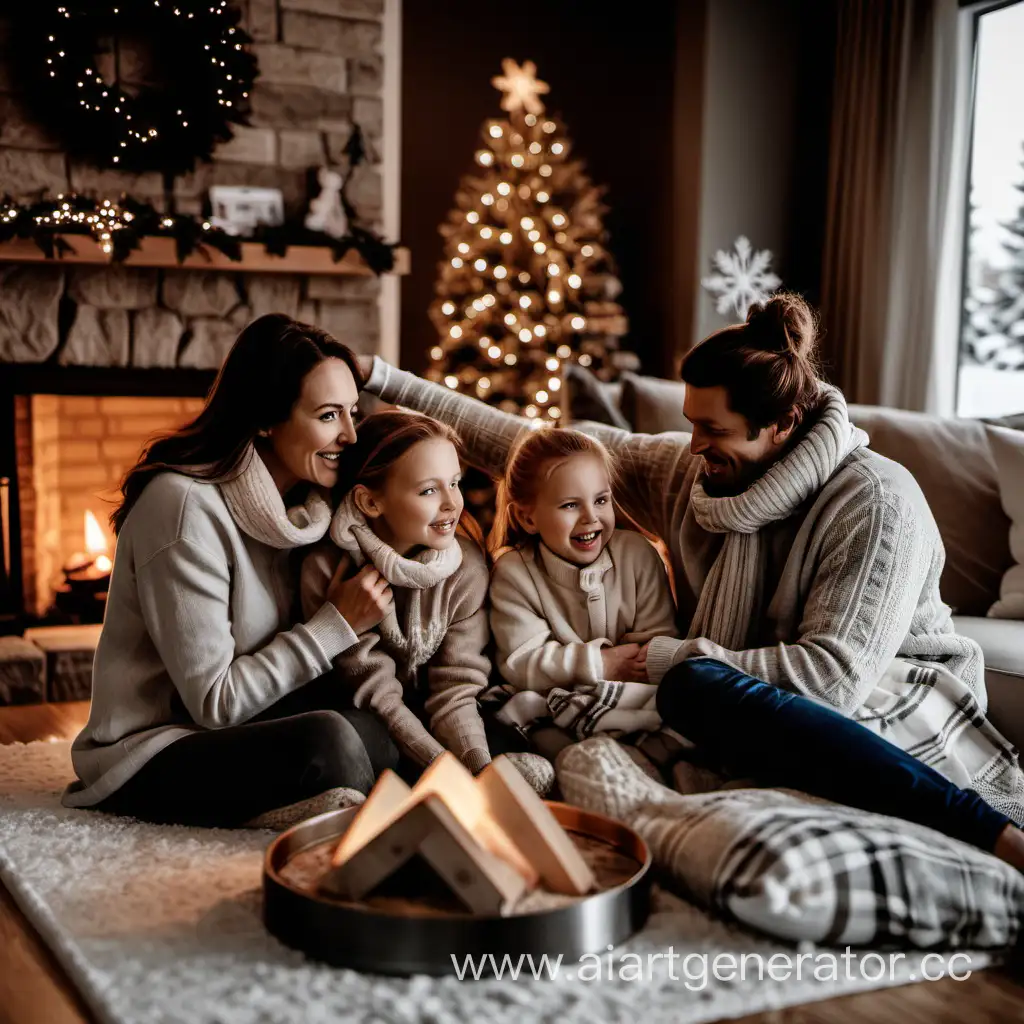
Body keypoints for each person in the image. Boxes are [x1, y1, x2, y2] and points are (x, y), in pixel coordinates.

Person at [354, 294, 1024, 870]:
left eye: (712, 429)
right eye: (689, 423)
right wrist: (380, 376)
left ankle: (995, 837)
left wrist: (667, 658)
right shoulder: (693, 475)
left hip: (886, 699)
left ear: (781, 425)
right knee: (595, 709)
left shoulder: (876, 502)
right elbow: (531, 448)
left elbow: (832, 682)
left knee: (691, 686)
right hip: (735, 698)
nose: (693, 444)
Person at [62, 314, 398, 830]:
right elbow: (215, 702)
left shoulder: (309, 509)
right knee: (330, 741)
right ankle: (351, 829)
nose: (351, 434)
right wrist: (336, 624)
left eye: (353, 411)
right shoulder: (182, 508)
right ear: (264, 417)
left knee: (380, 727)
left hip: (252, 720)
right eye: (329, 415)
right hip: (153, 748)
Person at [300, 410, 553, 792]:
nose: (452, 503)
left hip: (435, 711)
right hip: (365, 712)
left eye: (455, 483)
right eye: (429, 490)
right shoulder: (328, 570)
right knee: (364, 743)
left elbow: (456, 687)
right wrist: (450, 776)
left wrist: (478, 771)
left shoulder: (465, 566)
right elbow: (374, 693)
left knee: (503, 740)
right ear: (370, 502)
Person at [485, 426, 679, 769]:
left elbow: (657, 640)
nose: (591, 518)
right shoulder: (514, 572)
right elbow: (521, 661)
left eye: (601, 500)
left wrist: (626, 664)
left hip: (633, 694)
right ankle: (590, 770)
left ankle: (650, 765)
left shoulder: (637, 554)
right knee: (528, 719)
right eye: (570, 505)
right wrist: (602, 663)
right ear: (527, 517)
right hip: (551, 699)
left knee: (680, 707)